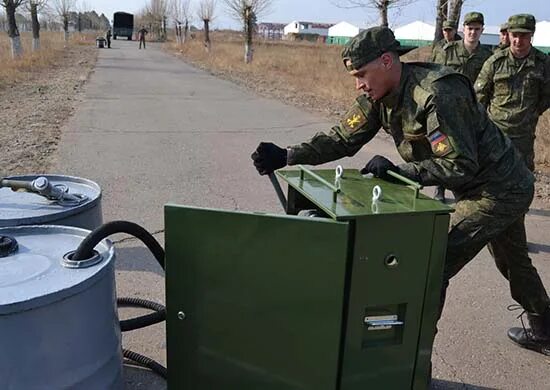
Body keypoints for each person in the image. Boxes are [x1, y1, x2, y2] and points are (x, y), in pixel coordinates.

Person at [251, 26, 550, 357]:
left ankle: (411, 362)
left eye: (362, 74)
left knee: (428, 262)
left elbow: (459, 164)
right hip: (483, 185)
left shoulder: (437, 94)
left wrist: (399, 172)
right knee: (514, 263)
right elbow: (342, 138)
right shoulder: (377, 96)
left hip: (499, 189)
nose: (358, 84)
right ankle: (546, 331)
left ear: (387, 62)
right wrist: (288, 155)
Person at [430, 12, 492, 202]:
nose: (472, 32)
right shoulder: (447, 52)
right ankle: (439, 188)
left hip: (473, 114)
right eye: (469, 28)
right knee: (443, 149)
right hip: (446, 112)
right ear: (463, 29)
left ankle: (465, 192)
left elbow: (490, 88)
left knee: (469, 154)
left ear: (482, 30)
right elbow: (433, 79)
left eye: (477, 29)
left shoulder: (487, 57)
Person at [476, 14, 550, 173]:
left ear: (531, 35)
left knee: (522, 181)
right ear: (508, 35)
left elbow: (547, 95)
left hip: (524, 135)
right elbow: (479, 97)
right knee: (492, 178)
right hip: (496, 133)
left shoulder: (543, 63)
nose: (518, 40)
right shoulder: (495, 62)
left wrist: (532, 113)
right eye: (514, 35)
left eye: (523, 36)